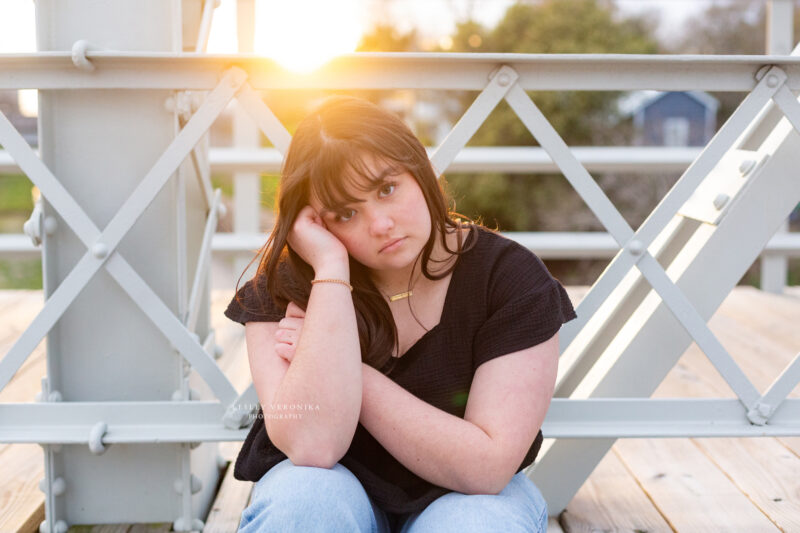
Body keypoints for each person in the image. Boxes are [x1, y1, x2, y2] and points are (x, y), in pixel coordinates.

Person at [224, 95, 577, 532]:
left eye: (387, 189)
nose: (380, 225)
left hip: (466, 497)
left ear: (421, 170)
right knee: (304, 507)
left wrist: (352, 371)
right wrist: (331, 269)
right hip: (332, 489)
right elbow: (312, 446)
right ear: (315, 224)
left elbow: (485, 468)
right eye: (346, 213)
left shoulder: (509, 279)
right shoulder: (284, 289)